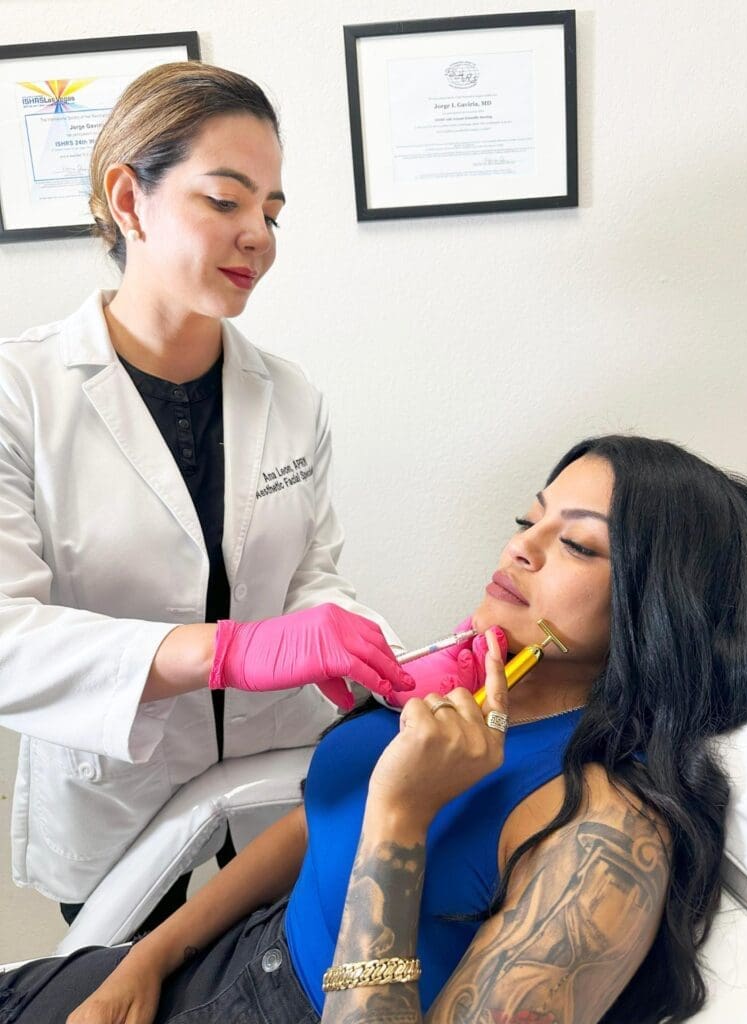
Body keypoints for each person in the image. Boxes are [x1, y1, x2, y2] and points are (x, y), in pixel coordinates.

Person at [2, 433, 747, 1024]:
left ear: (658, 608)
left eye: (575, 543)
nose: (518, 547)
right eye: (526, 519)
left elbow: (375, 826)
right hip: (224, 962)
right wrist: (149, 958)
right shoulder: (483, 688)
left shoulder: (601, 839)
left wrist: (402, 817)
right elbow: (317, 827)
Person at [0, 60, 491, 929]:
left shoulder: (289, 395)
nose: (259, 236)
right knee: (127, 978)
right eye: (225, 202)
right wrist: (221, 653)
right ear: (127, 198)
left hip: (276, 767)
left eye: (270, 211)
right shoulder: (21, 391)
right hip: (117, 784)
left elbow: (312, 576)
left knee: (267, 968)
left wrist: (370, 650)